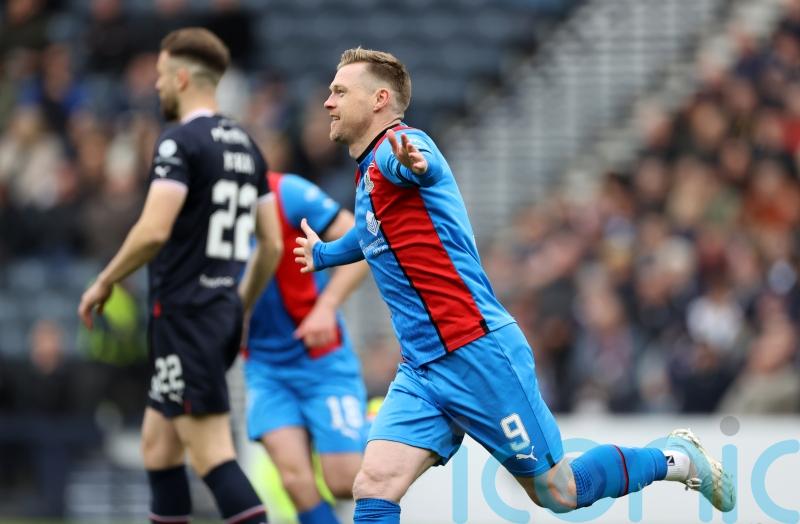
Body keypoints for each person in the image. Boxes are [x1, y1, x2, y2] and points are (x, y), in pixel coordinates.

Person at [293, 47, 736, 523]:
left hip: (478, 355)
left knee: (561, 492)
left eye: (339, 91)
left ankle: (675, 460)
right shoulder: (368, 178)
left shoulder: (402, 148)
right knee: (374, 484)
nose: (328, 102)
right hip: (422, 368)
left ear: (380, 99)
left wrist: (416, 164)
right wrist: (326, 254)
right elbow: (372, 230)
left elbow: (423, 166)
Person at [78, 28, 281, 524]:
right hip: (216, 311)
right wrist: (241, 302)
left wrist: (105, 280)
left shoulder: (180, 142)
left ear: (184, 77)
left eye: (162, 76)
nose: (156, 87)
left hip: (186, 314)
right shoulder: (247, 146)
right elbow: (271, 243)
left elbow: (153, 230)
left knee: (211, 453)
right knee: (158, 447)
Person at [245, 171, 370, 524]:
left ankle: (374, 420)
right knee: (294, 480)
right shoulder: (201, 213)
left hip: (320, 358)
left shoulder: (288, 194)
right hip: (265, 367)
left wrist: (326, 307)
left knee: (344, 482)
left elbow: (360, 241)